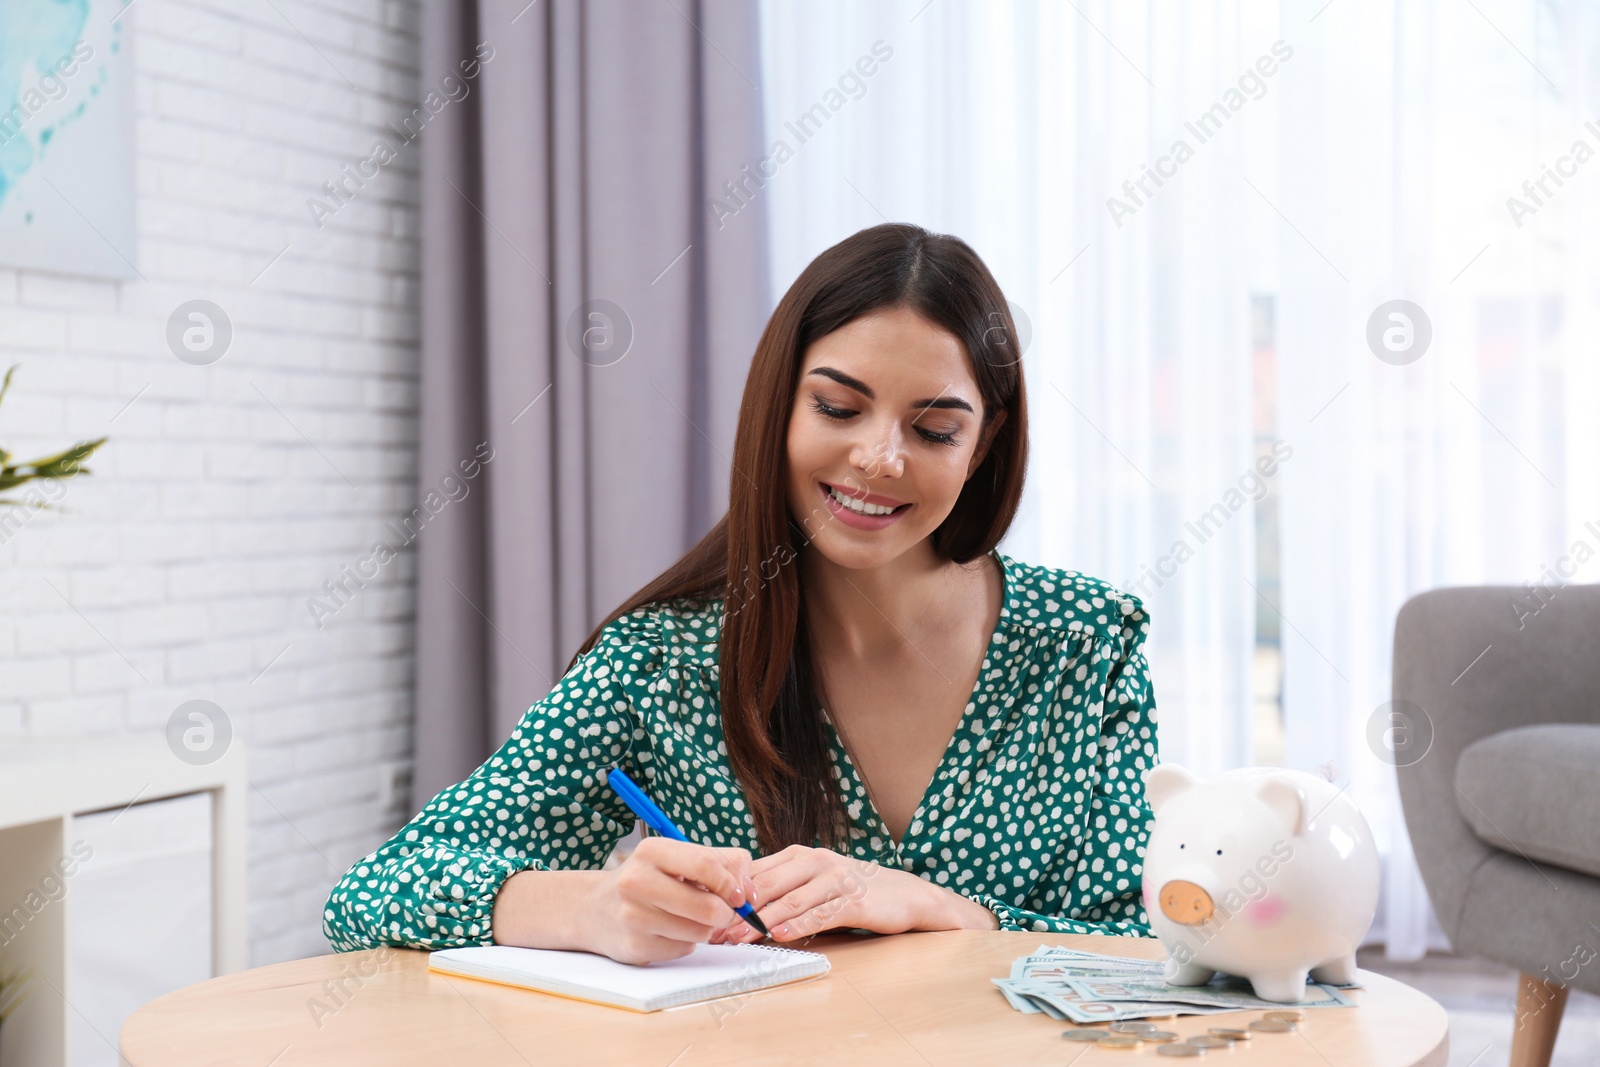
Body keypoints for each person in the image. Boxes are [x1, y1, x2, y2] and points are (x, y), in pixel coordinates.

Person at [322, 222, 1160, 965]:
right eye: (837, 407)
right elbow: (373, 892)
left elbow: (1152, 942)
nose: (879, 458)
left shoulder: (1089, 638)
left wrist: (938, 909)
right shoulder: (662, 660)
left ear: (982, 445)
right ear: (778, 404)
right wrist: (594, 907)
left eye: (933, 428)